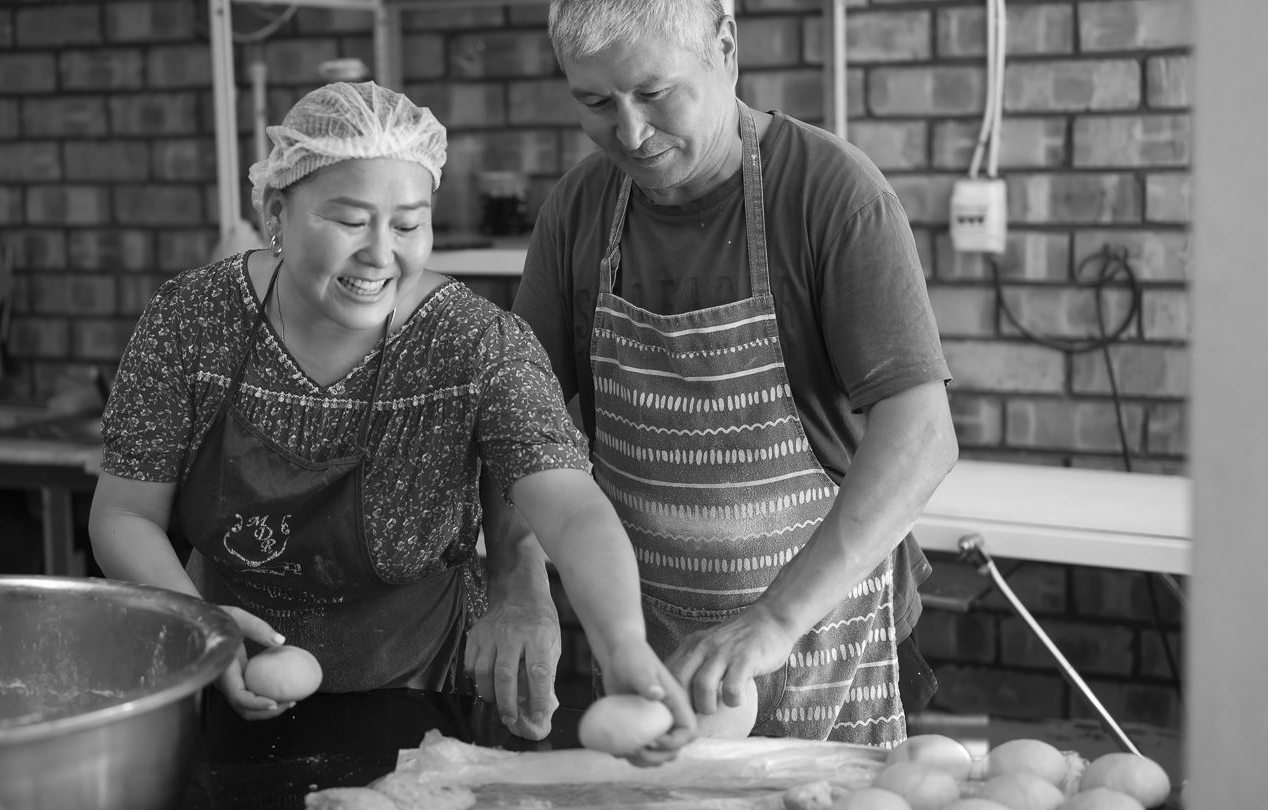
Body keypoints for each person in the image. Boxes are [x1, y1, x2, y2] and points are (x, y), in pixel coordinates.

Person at [87, 81, 693, 756]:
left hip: (423, 696)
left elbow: (571, 507)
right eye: (350, 222)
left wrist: (623, 645)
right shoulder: (192, 320)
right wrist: (203, 627)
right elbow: (124, 513)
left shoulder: (474, 343)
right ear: (277, 212)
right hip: (221, 673)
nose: (380, 254)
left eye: (407, 225)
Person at [476, 0, 958, 749]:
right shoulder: (577, 212)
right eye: (596, 103)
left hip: (818, 634)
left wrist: (775, 619)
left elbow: (921, 437)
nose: (630, 134)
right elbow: (520, 422)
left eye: (655, 93)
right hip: (650, 648)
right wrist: (517, 580)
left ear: (725, 47)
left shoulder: (830, 193)